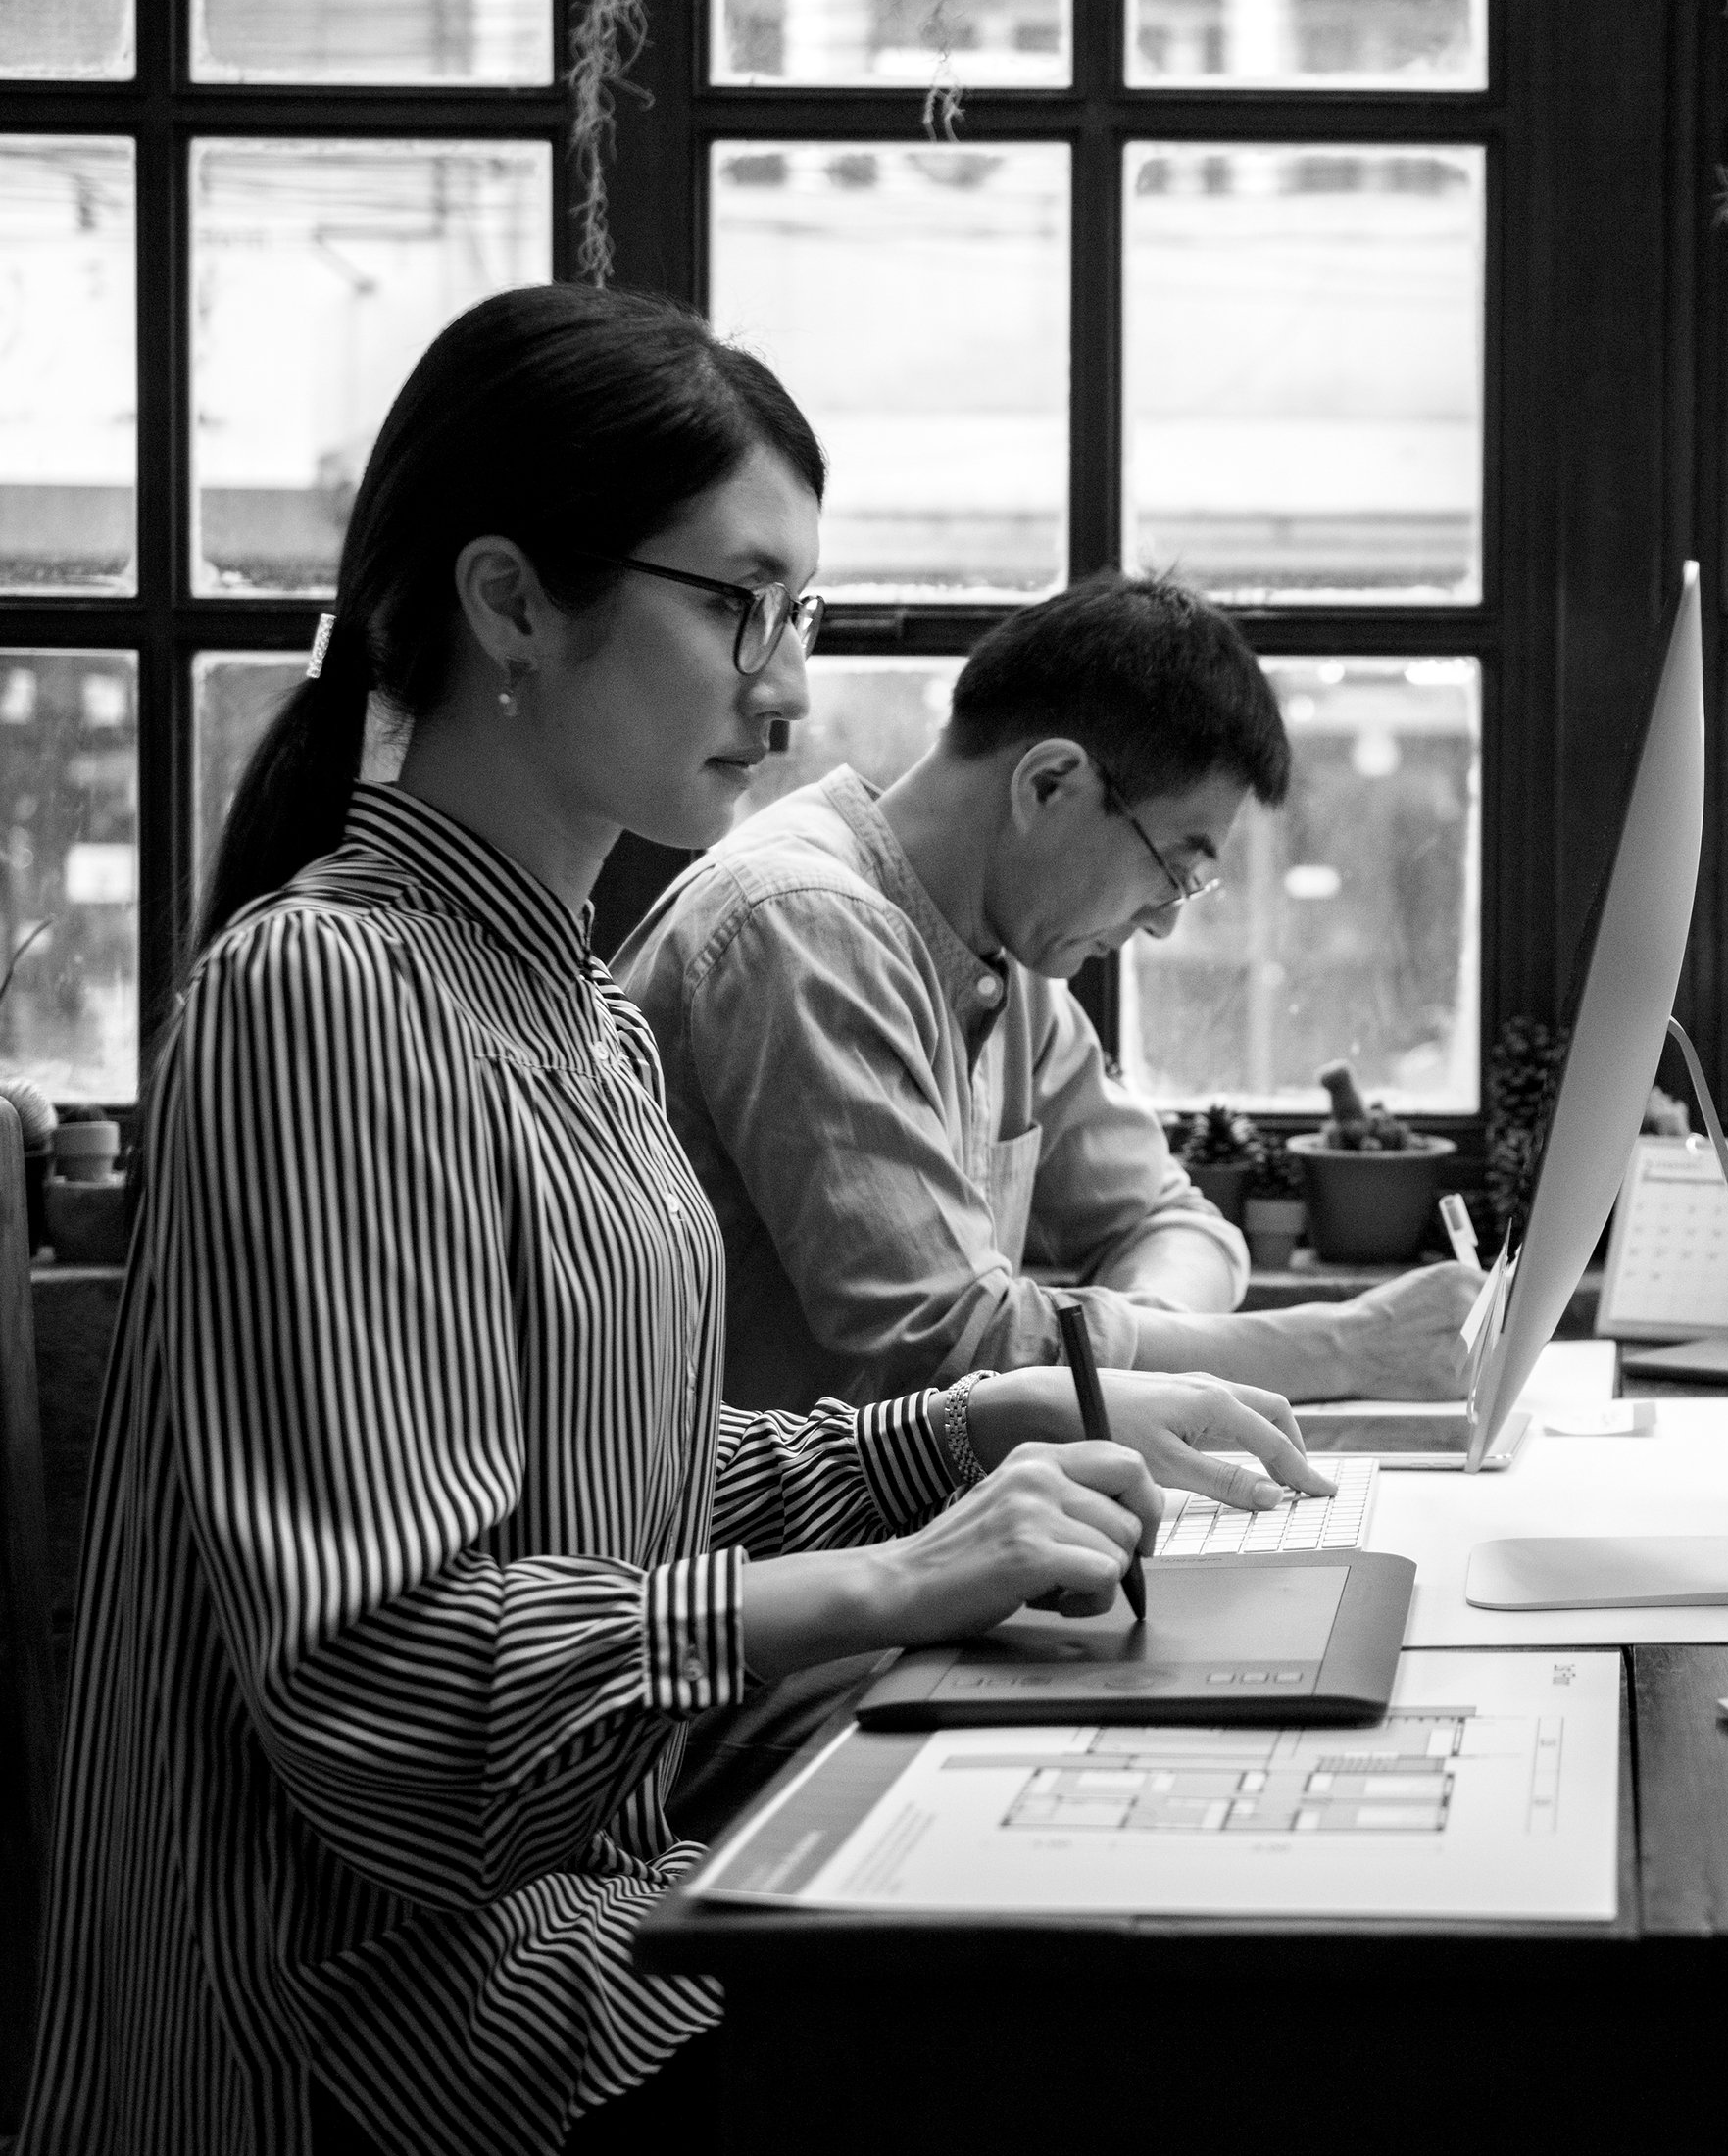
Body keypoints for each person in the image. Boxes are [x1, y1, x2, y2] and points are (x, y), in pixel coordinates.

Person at [18, 283, 1333, 2156]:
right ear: (511, 605)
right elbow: (389, 1705)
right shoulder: (321, 992)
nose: (786, 688)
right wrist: (896, 1580)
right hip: (369, 2037)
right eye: (738, 606)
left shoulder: (577, 1010)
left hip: (575, 1923)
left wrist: (967, 1432)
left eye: (795, 617)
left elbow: (615, 1482)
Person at [609, 570, 1482, 1416]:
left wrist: (1149, 1357)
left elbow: (1175, 1222)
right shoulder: (801, 926)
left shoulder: (1005, 966)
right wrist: (1345, 1344)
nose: (1165, 923)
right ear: (1049, 784)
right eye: (1175, 868)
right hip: (752, 1552)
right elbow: (953, 1347)